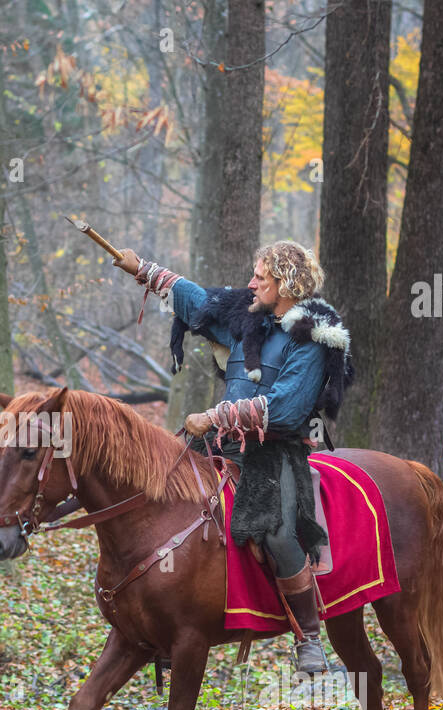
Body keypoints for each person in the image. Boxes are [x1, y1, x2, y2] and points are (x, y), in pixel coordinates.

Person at [112, 240, 352, 674]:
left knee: (277, 532)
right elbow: (198, 299)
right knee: (161, 489)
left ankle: (310, 638)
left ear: (287, 282)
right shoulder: (251, 321)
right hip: (219, 442)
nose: (251, 282)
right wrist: (140, 268)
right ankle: (170, 615)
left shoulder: (314, 339)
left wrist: (215, 414)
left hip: (273, 449)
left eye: (261, 276)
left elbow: (286, 407)